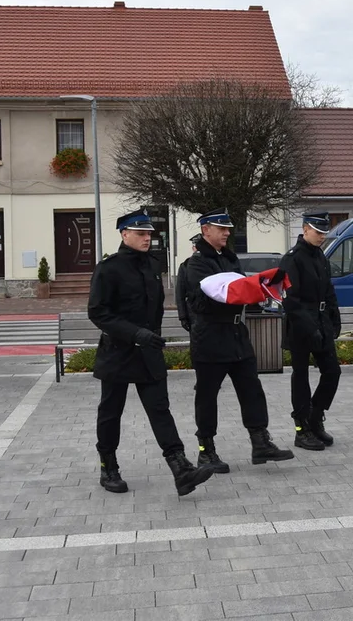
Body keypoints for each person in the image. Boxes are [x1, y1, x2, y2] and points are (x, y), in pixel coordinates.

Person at [87, 208, 214, 496]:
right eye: (141, 233)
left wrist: (152, 336)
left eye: (149, 233)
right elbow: (98, 312)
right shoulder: (108, 269)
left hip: (148, 352)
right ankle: (109, 467)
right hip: (118, 351)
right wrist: (136, 333)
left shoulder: (152, 266)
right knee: (110, 412)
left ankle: (180, 468)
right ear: (125, 234)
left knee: (160, 410)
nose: (147, 238)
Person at [184, 208, 294, 470]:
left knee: (252, 390)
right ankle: (206, 450)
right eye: (221, 228)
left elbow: (241, 290)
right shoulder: (196, 263)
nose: (227, 232)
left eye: (228, 228)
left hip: (236, 335)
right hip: (210, 336)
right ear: (205, 230)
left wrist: (258, 290)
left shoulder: (230, 259)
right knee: (207, 396)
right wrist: (237, 294)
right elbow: (200, 302)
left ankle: (260, 442)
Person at [280, 212, 342, 451]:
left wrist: (334, 319)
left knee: (332, 372)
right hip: (300, 325)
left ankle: (315, 417)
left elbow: (328, 289)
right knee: (301, 377)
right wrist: (309, 328)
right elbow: (291, 300)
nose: (322, 238)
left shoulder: (320, 256)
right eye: (318, 233)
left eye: (324, 233)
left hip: (322, 320)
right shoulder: (292, 259)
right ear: (305, 230)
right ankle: (302, 427)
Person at [175, 234, 202, 333]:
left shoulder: (213, 263)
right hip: (193, 312)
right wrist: (182, 316)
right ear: (193, 248)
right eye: (196, 247)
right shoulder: (185, 266)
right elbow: (180, 293)